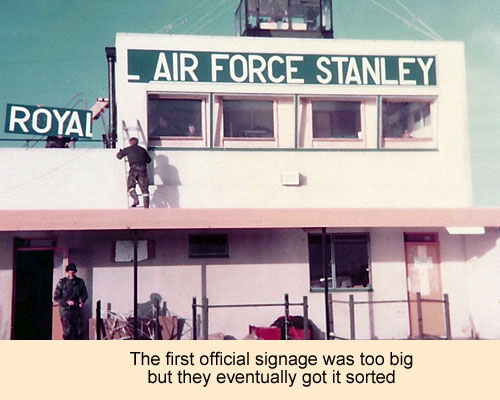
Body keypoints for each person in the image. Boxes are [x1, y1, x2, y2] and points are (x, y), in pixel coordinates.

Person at [53, 263, 88, 340]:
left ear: (75, 272)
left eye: (73, 272)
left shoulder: (80, 282)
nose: (71, 274)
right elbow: (56, 297)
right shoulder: (62, 282)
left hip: (76, 309)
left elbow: (84, 294)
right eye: (69, 272)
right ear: (67, 272)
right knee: (67, 331)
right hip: (65, 310)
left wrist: (82, 301)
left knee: (79, 330)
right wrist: (66, 302)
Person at [116, 137, 152, 208]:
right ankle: (146, 206)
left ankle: (135, 199)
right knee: (145, 189)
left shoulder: (128, 149)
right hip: (143, 169)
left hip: (133, 168)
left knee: (130, 186)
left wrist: (121, 152)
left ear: (130, 143)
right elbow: (149, 160)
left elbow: (119, 156)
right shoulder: (142, 150)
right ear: (137, 143)